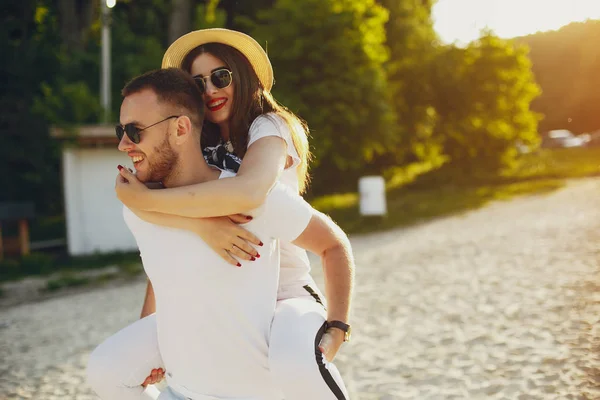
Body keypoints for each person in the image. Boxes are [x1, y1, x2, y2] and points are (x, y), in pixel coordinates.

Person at [111, 29, 353, 398]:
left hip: (283, 291)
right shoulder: (199, 149)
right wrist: (203, 228)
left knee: (296, 366)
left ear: (242, 76)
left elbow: (249, 191)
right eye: (198, 82)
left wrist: (338, 325)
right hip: (226, 294)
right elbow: (165, 254)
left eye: (220, 76)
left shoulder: (269, 127)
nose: (209, 89)